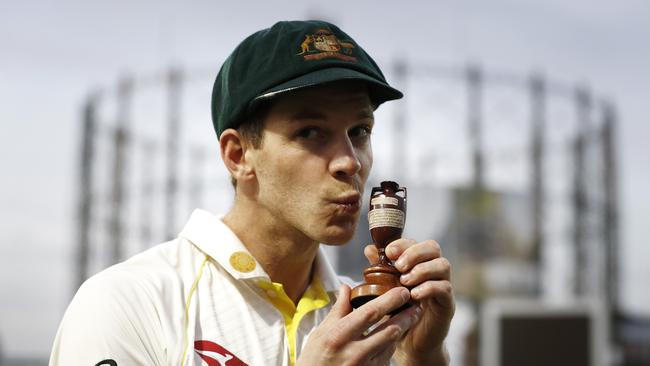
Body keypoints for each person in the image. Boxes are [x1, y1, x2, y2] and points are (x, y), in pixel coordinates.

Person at [50, 20, 454, 366]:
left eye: (359, 132)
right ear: (238, 155)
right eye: (310, 132)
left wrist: (422, 357)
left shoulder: (368, 315)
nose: (350, 162)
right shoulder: (131, 301)